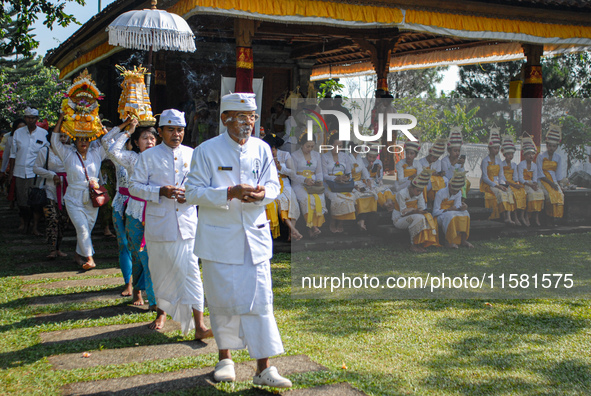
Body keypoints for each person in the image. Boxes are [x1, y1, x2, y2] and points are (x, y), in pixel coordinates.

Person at [185, 92, 292, 388]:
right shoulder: (206, 151)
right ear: (225, 119)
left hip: (254, 238)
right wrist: (228, 193)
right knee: (222, 301)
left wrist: (264, 193)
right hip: (220, 240)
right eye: (242, 117)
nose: (249, 123)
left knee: (261, 302)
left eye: (253, 117)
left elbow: (274, 184)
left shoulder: (261, 148)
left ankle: (263, 369)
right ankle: (225, 359)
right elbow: (191, 192)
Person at [129, 109, 211, 337]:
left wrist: (191, 194)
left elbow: (204, 186)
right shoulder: (148, 156)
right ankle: (162, 313)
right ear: (162, 131)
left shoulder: (193, 154)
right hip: (159, 226)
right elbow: (134, 187)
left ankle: (200, 325)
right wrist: (159, 191)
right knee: (161, 272)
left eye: (180, 130)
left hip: (187, 225)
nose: (176, 134)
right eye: (171, 130)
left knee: (192, 273)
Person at [107, 123, 159, 308]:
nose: (149, 141)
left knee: (153, 257)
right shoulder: (131, 158)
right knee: (139, 256)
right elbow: (111, 149)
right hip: (136, 212)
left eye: (152, 138)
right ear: (136, 142)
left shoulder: (162, 156)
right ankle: (138, 290)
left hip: (157, 212)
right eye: (144, 138)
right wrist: (126, 131)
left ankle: (153, 301)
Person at [52, 114, 106, 270]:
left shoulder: (96, 153)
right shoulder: (67, 154)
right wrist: (60, 119)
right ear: (74, 140)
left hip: (92, 197)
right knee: (82, 228)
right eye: (80, 139)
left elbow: (109, 144)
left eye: (86, 139)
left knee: (86, 228)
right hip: (73, 197)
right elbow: (55, 141)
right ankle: (90, 258)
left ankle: (77, 255)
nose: (84, 142)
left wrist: (100, 126)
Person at [101, 117, 137, 298]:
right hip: (121, 203)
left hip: (142, 204)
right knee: (124, 244)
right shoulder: (120, 157)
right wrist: (126, 127)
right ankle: (128, 282)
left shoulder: (147, 157)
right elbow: (106, 140)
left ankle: (143, 283)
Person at [8, 108, 48, 235]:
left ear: (37, 119)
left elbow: (47, 153)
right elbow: (13, 154)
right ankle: (25, 223)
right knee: (22, 201)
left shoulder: (43, 133)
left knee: (36, 201)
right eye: (28, 117)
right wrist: (10, 173)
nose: (30, 120)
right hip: (20, 171)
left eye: (33, 118)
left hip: (36, 172)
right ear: (25, 118)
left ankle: (35, 227)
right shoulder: (18, 133)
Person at [33, 128, 70, 259]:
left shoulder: (69, 150)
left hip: (66, 189)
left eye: (65, 136)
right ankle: (51, 249)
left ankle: (58, 247)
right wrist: (51, 175)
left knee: (63, 219)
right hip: (49, 189)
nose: (63, 139)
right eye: (60, 136)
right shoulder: (45, 151)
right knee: (52, 218)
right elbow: (36, 168)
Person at [262, 133, 303, 241]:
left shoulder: (285, 155)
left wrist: (280, 167)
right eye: (270, 149)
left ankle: (291, 233)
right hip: (272, 183)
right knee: (283, 202)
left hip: (285, 182)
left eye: (274, 149)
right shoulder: (263, 156)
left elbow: (293, 173)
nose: (272, 151)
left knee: (293, 202)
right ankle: (294, 230)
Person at [390, 168, 439, 253]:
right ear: (411, 188)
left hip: (413, 214)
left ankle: (421, 243)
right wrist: (414, 210)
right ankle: (413, 244)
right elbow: (403, 213)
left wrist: (415, 210)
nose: (419, 192)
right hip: (399, 219)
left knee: (427, 217)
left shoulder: (419, 194)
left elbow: (422, 208)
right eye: (417, 190)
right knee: (418, 217)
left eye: (421, 190)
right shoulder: (402, 194)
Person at [291, 132, 327, 238]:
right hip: (299, 184)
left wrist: (319, 180)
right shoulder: (294, 156)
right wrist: (304, 180)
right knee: (307, 199)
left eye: (312, 146)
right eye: (307, 146)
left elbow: (319, 172)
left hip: (313, 183)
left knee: (320, 198)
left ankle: (313, 227)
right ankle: (312, 227)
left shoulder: (316, 155)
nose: (310, 149)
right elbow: (293, 175)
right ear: (301, 144)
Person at [322, 132, 356, 233]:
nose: (338, 148)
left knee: (350, 198)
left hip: (343, 184)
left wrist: (345, 178)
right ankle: (333, 221)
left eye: (340, 146)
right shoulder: (324, 157)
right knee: (336, 199)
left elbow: (349, 173)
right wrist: (336, 179)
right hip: (329, 184)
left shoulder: (345, 157)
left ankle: (340, 222)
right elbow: (323, 175)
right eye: (335, 145)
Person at [479, 127, 515, 224]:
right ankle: (503, 216)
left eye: (498, 148)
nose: (496, 150)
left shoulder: (499, 161)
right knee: (500, 193)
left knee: (509, 191)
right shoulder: (485, 161)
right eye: (495, 148)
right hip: (488, 184)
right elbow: (485, 177)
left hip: (498, 183)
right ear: (489, 148)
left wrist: (502, 184)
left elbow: (501, 175)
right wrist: (497, 186)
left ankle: (508, 216)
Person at [433, 170, 473, 248]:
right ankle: (449, 241)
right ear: (449, 186)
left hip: (452, 212)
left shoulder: (458, 192)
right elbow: (435, 212)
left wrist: (463, 208)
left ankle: (463, 240)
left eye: (457, 191)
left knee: (466, 213)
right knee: (450, 215)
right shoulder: (440, 193)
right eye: (453, 190)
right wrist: (447, 210)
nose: (455, 192)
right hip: (440, 215)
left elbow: (457, 206)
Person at [537, 125, 565, 222]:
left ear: (557, 147)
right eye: (550, 146)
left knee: (559, 195)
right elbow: (540, 173)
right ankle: (548, 218)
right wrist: (551, 184)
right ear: (547, 145)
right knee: (549, 195)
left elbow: (558, 173)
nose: (551, 148)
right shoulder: (540, 156)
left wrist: (558, 184)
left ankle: (556, 218)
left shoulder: (558, 157)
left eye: (554, 146)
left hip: (553, 180)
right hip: (543, 180)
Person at [348, 143, 377, 231]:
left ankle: (364, 220)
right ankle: (361, 219)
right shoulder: (348, 159)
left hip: (360, 181)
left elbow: (364, 170)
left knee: (371, 194)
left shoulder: (359, 157)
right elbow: (348, 175)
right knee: (359, 196)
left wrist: (368, 179)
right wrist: (355, 186)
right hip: (351, 183)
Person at [517, 135, 544, 227]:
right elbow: (520, 178)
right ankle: (527, 215)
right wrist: (530, 185)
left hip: (532, 184)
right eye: (529, 154)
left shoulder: (534, 165)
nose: (531, 156)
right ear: (524, 155)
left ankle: (536, 216)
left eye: (532, 154)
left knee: (540, 193)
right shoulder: (521, 164)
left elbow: (535, 178)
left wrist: (535, 184)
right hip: (524, 184)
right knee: (531, 194)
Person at [500, 135, 526, 226]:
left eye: (512, 154)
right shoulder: (501, 164)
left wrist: (516, 184)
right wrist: (514, 185)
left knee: (522, 192)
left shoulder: (514, 165)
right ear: (504, 155)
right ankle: (513, 216)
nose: (510, 156)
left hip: (513, 183)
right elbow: (502, 178)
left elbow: (515, 177)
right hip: (505, 183)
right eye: (508, 154)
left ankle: (521, 216)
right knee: (513, 194)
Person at [1, 119, 26, 211]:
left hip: (28, 170)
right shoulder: (10, 139)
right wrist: (3, 170)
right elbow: (6, 155)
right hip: (15, 168)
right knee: (14, 188)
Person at [441, 127, 470, 197]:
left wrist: (462, 165)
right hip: (448, 180)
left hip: (458, 179)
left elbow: (462, 173)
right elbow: (447, 176)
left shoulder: (459, 161)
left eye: (458, 151)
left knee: (466, 182)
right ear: (449, 151)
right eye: (455, 151)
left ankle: (462, 199)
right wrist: (453, 165)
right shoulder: (444, 161)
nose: (457, 153)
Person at [418, 137, 447, 204]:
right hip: (425, 181)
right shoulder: (421, 161)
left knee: (445, 180)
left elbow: (438, 173)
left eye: (437, 158)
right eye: (434, 157)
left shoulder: (438, 162)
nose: (435, 159)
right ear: (430, 154)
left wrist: (440, 174)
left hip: (435, 182)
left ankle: (441, 200)